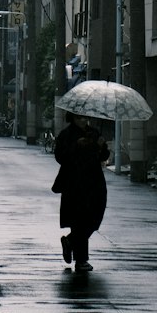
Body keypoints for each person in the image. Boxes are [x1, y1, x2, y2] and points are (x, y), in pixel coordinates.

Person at [52, 113, 109, 272]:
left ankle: (70, 241)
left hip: (94, 182)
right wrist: (77, 145)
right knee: (79, 220)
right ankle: (81, 260)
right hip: (74, 183)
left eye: (85, 117)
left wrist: (101, 146)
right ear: (72, 118)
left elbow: (103, 156)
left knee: (95, 216)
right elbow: (60, 157)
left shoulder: (94, 133)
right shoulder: (67, 134)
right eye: (79, 118)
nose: (83, 120)